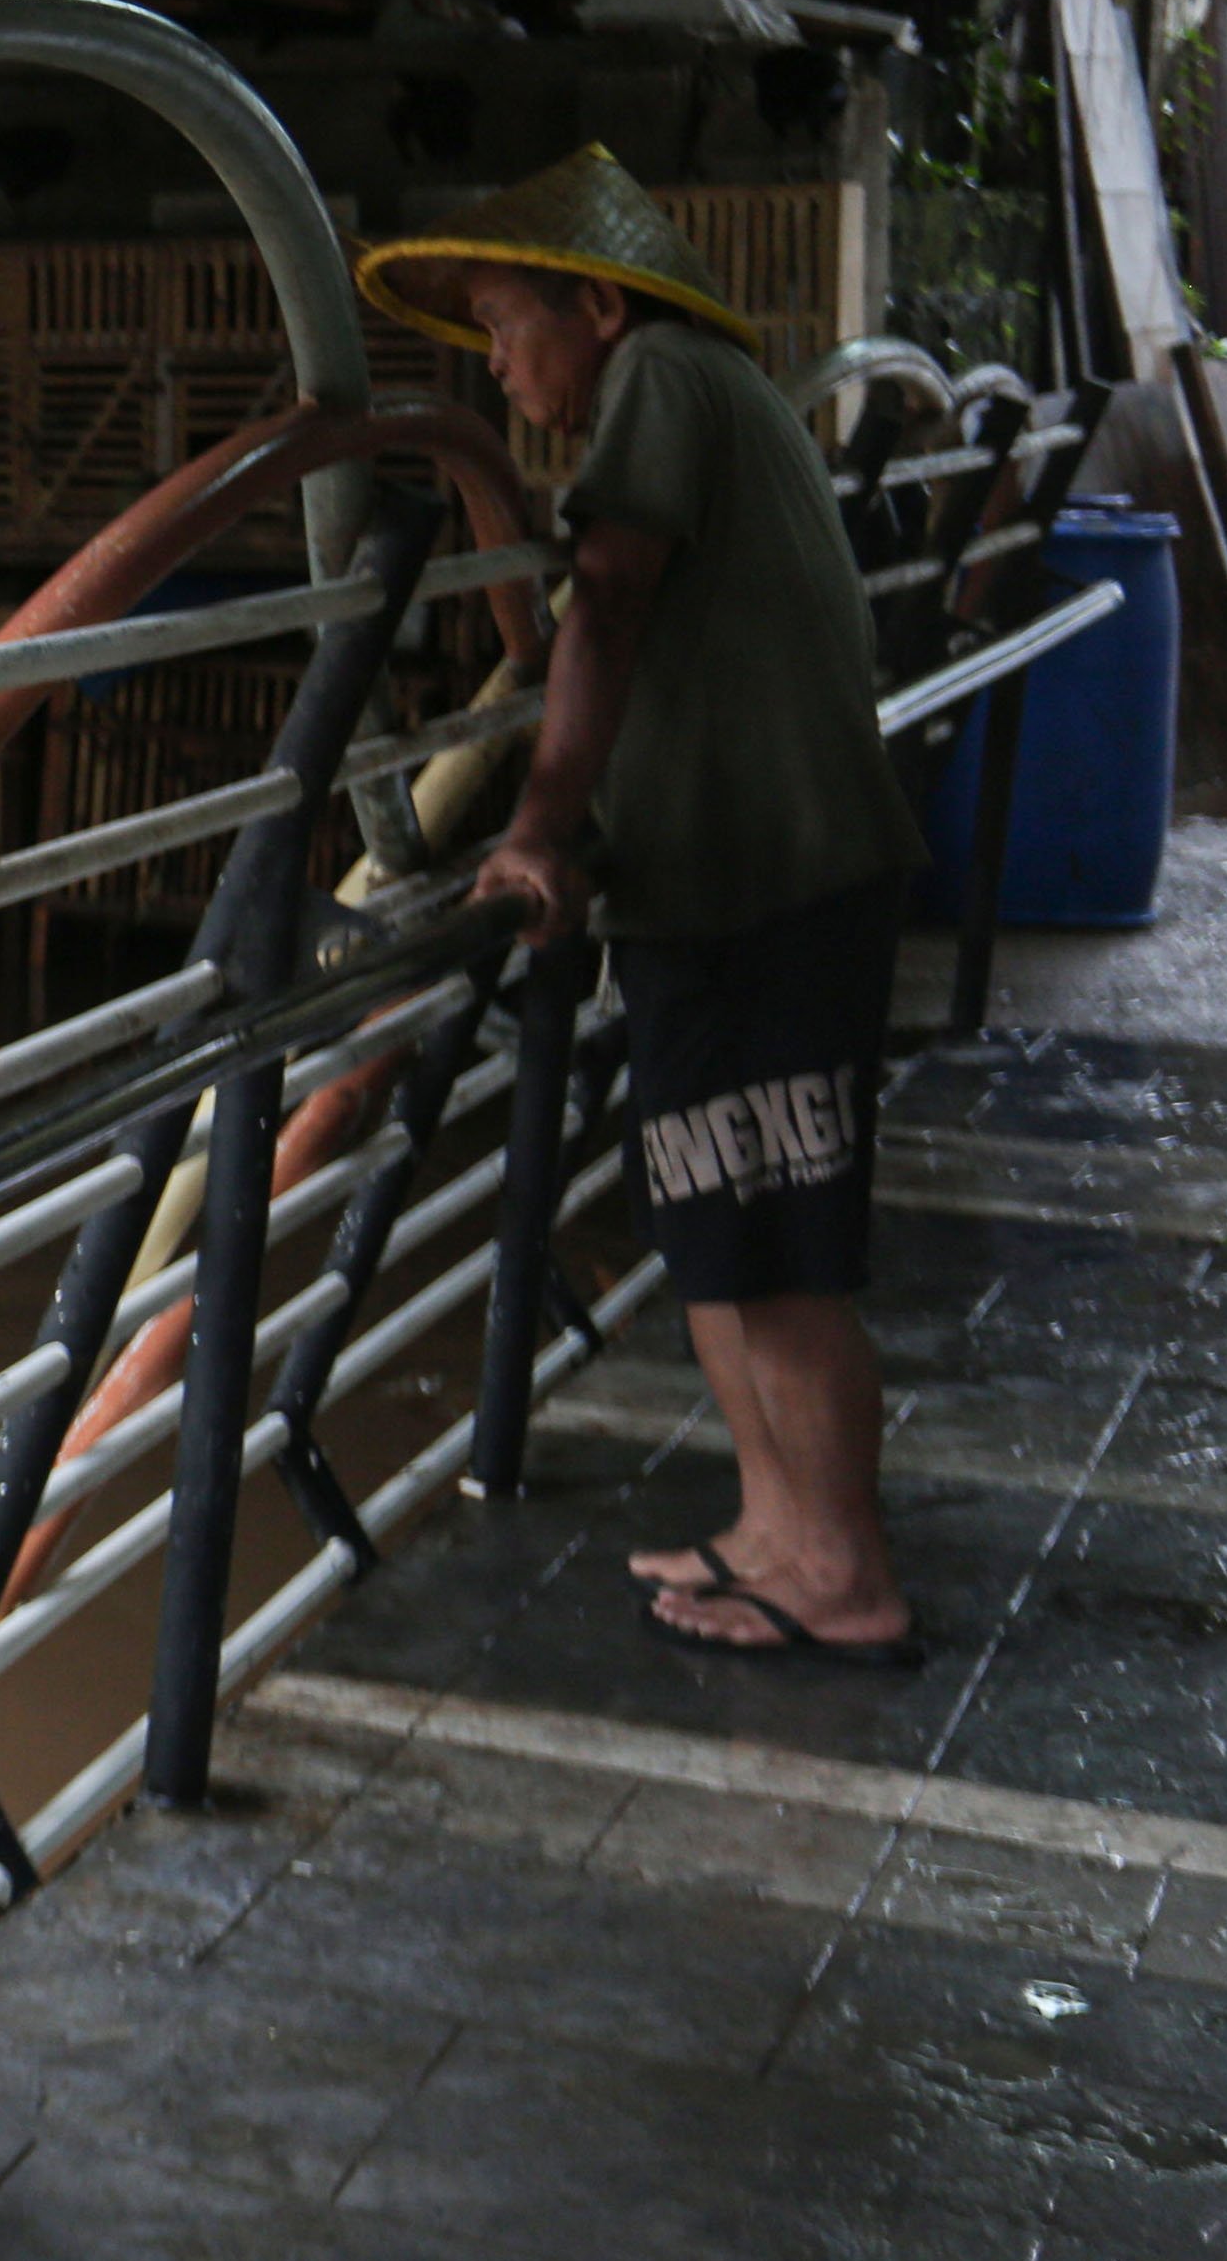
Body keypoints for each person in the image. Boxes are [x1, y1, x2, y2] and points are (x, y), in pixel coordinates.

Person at [354, 148, 929, 1666]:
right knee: (713, 1222)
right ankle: (772, 1527)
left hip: (773, 885)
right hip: (706, 887)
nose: (496, 360)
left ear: (597, 305)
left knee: (779, 1242)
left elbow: (603, 603)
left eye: (503, 322)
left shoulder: (664, 379)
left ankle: (843, 1570)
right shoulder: (677, 397)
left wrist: (539, 828)